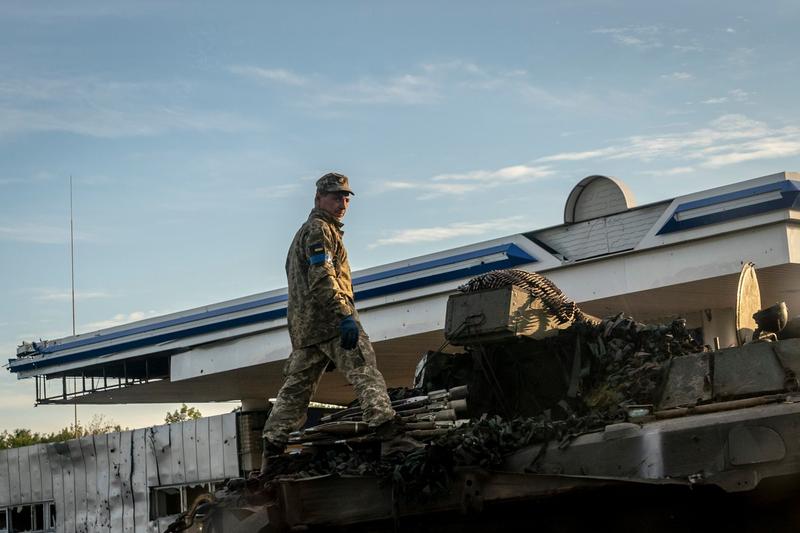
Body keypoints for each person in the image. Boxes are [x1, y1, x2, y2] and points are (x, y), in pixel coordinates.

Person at [260, 172, 397, 473]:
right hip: (330, 321)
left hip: (307, 329)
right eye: (336, 196)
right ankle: (390, 436)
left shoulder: (309, 231)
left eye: (346, 196)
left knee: (295, 391)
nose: (343, 202)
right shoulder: (320, 230)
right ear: (319, 199)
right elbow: (322, 277)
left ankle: (271, 453)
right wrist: (344, 316)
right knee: (364, 370)